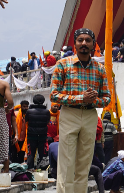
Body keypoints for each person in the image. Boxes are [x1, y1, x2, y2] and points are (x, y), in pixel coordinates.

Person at [51, 27, 111, 193]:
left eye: (88, 40)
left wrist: (93, 100)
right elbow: (54, 95)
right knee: (67, 161)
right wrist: (80, 98)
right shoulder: (63, 65)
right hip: (69, 113)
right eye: (80, 40)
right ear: (75, 44)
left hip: (91, 115)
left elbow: (107, 98)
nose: (84, 43)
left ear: (93, 44)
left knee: (84, 162)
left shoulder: (99, 68)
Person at [24, 94, 50, 170]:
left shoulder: (29, 111)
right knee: (42, 153)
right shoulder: (47, 112)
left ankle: (30, 168)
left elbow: (26, 121)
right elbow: (48, 122)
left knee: (31, 153)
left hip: (31, 135)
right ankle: (42, 169)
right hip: (43, 135)